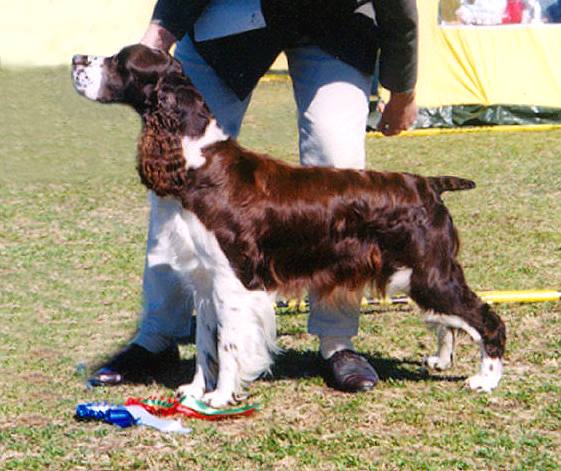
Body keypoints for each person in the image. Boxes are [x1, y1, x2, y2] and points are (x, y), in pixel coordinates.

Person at [90, 0, 418, 393]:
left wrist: (401, 90)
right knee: (176, 168)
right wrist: (156, 40)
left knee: (338, 163)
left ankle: (336, 342)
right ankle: (158, 336)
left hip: (336, 23)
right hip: (235, 14)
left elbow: (399, 7)